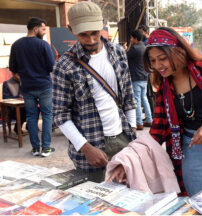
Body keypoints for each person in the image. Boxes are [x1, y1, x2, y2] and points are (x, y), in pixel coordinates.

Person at [108, 27, 202, 196]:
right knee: (198, 206)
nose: (158, 65)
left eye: (162, 58)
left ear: (178, 52)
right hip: (192, 152)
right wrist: (127, 162)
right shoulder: (164, 89)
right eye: (152, 61)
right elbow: (156, 133)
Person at [52, 1, 137, 182]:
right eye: (83, 35)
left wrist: (133, 132)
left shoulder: (118, 52)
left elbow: (128, 96)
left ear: (101, 26)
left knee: (128, 196)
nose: (90, 40)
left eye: (95, 33)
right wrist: (86, 148)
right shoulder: (65, 66)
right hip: (90, 145)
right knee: (96, 203)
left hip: (123, 137)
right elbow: (60, 115)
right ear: (70, 29)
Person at [9, 17, 55, 157]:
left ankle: (35, 148)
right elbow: (51, 66)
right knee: (47, 116)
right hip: (44, 86)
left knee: (31, 116)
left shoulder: (16, 45)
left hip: (27, 87)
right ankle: (46, 148)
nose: (43, 32)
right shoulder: (43, 45)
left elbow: (12, 67)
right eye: (42, 29)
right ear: (35, 29)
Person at [124, 30, 152, 130]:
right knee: (144, 99)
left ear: (136, 38)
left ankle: (139, 123)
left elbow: (124, 57)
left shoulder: (134, 49)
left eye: (131, 38)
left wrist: (125, 49)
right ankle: (149, 120)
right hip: (144, 78)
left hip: (136, 78)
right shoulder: (145, 48)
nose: (131, 40)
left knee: (137, 100)